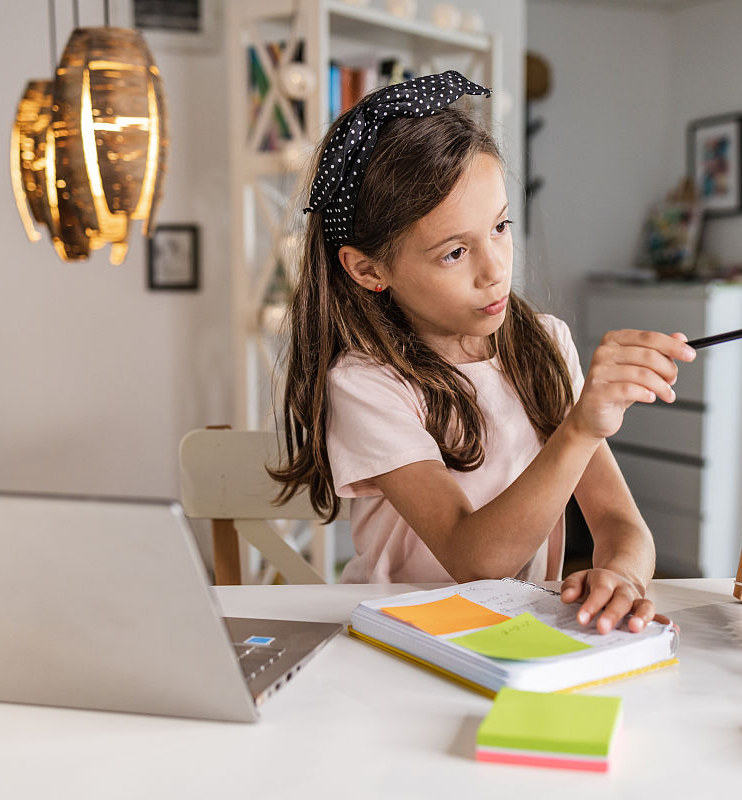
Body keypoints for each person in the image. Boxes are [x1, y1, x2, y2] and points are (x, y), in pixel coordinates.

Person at [270, 72, 695, 634]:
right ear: (368, 269)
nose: (494, 269)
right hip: (400, 638)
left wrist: (621, 575)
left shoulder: (544, 345)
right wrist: (580, 429)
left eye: (499, 226)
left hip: (512, 634)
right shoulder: (367, 382)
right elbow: (475, 560)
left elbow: (620, 522)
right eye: (453, 253)